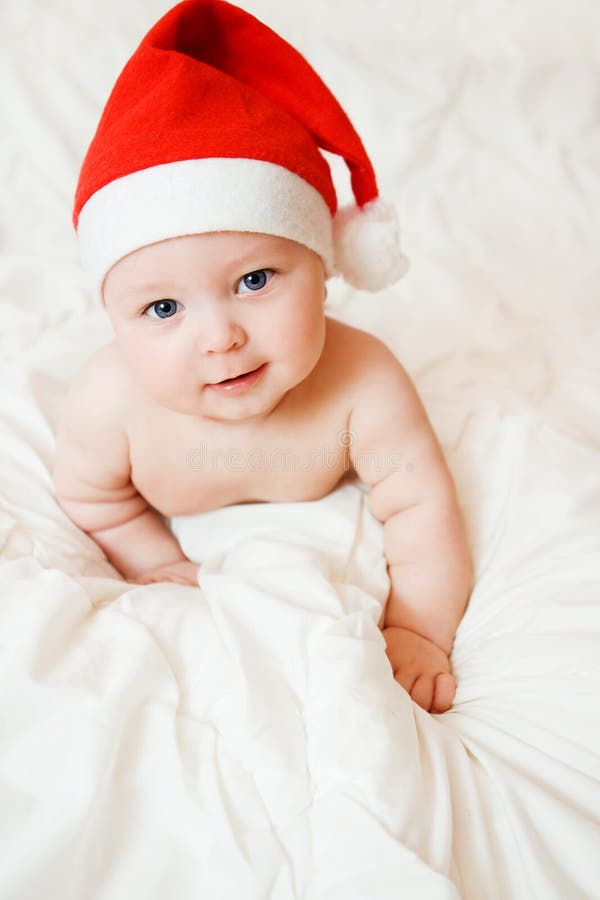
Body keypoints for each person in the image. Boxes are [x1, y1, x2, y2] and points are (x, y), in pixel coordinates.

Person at [53, 0, 473, 714]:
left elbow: (422, 505)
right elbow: (94, 502)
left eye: (255, 281)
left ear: (325, 265)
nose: (220, 338)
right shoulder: (109, 404)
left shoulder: (363, 382)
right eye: (163, 308)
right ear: (113, 318)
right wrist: (156, 562)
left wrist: (417, 629)